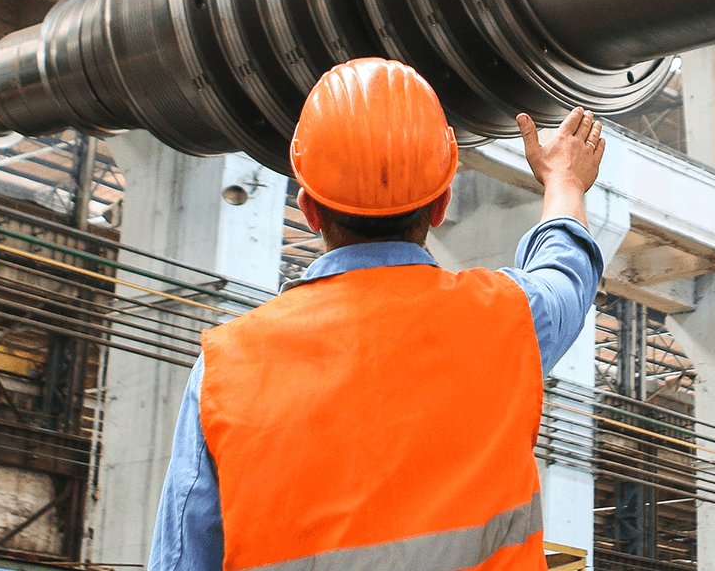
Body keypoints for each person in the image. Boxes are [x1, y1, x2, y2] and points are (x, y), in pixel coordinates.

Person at [148, 57, 609, 570]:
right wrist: (563, 181)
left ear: (308, 207)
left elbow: (183, 558)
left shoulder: (225, 371)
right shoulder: (506, 321)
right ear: (440, 206)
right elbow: (567, 275)